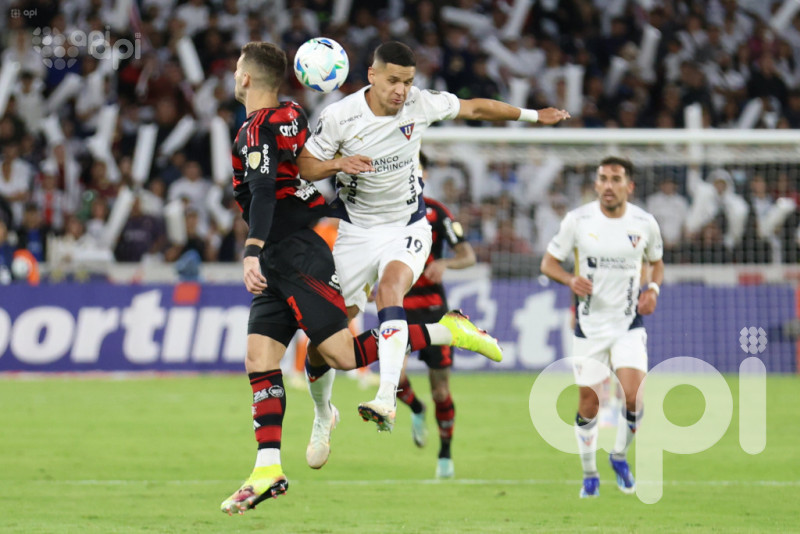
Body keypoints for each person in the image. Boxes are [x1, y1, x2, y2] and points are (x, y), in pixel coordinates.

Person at [220, 41, 511, 515]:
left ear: (247, 79)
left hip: (295, 254)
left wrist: (251, 250)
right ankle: (267, 468)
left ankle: (447, 329)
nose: (234, 74)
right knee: (259, 358)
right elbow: (301, 163)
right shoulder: (291, 113)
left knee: (339, 354)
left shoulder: (256, 130)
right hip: (281, 254)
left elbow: (265, 193)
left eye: (237, 68)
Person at [298, 41, 570, 432]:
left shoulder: (419, 104)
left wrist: (532, 115)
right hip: (356, 233)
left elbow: (475, 106)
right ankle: (323, 416)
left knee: (389, 290)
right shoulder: (340, 117)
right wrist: (339, 163)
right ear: (372, 76)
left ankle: (385, 396)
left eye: (407, 82)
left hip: (407, 226)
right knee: (328, 340)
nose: (401, 90)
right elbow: (306, 166)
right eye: (393, 80)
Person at [540, 156, 664, 498]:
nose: (608, 185)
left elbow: (656, 262)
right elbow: (548, 263)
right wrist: (569, 279)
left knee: (635, 396)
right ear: (596, 185)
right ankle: (589, 473)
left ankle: (619, 455)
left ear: (629, 186)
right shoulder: (577, 220)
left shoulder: (644, 222)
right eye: (603, 179)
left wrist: (652, 289)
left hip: (628, 324)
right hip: (589, 326)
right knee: (589, 403)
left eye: (616, 179)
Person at [396, 164, 476, 478]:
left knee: (441, 391)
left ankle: (445, 454)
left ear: (423, 174)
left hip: (432, 311)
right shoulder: (381, 211)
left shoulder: (436, 212)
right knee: (394, 382)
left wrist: (445, 262)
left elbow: (468, 255)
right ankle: (417, 409)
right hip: (397, 308)